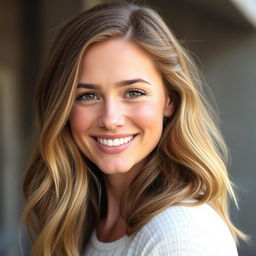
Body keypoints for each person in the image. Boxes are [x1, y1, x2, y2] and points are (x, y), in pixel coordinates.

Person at [23, 1, 246, 255]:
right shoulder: (89, 221)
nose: (110, 119)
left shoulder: (179, 236)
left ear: (169, 101)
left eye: (133, 92)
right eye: (87, 96)